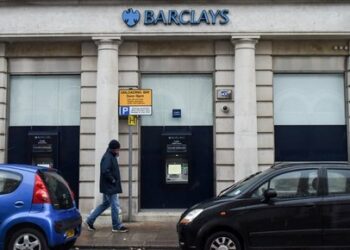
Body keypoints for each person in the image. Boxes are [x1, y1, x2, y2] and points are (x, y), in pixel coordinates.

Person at [85, 139, 128, 233]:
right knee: (115, 205)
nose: (118, 151)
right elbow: (105, 170)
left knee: (105, 204)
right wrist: (113, 180)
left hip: (108, 186)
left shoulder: (111, 156)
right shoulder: (108, 157)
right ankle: (116, 226)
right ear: (113, 149)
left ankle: (90, 220)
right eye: (117, 149)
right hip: (110, 187)